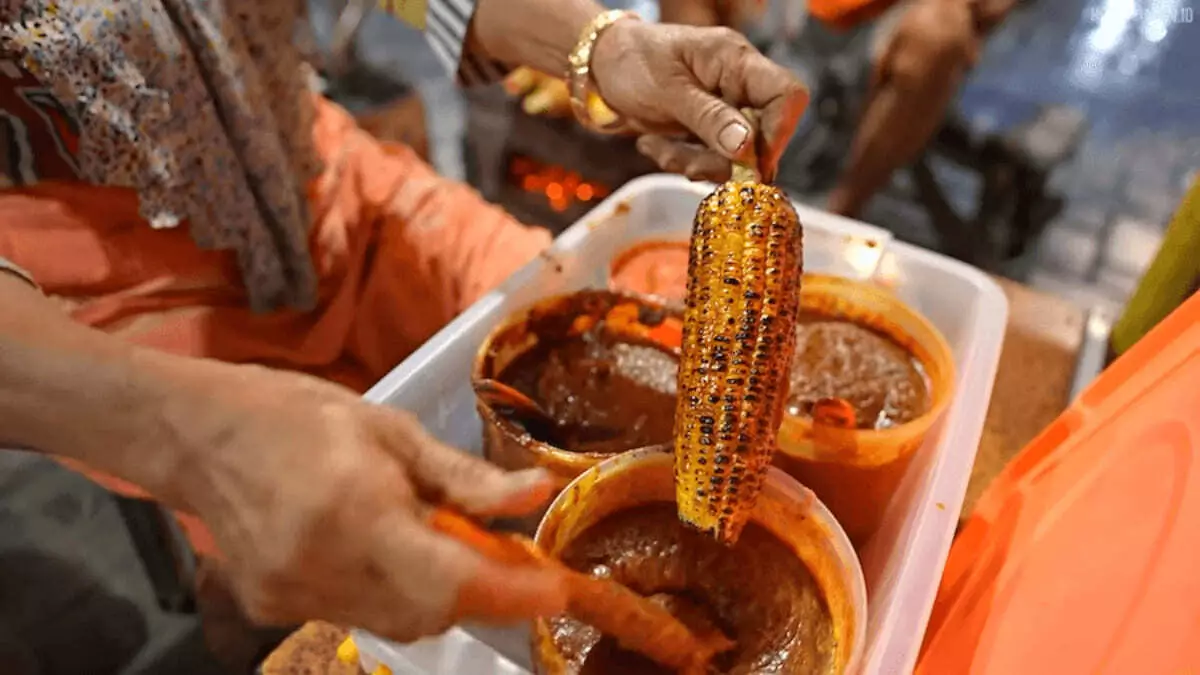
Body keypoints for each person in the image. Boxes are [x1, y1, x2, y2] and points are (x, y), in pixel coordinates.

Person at [0, 0, 806, 646]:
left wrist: (600, 44)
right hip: (112, 295)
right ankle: (244, 624)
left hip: (322, 178)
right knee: (302, 570)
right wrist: (188, 439)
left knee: (572, 318)